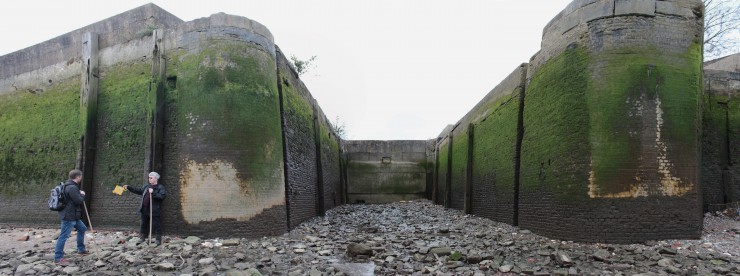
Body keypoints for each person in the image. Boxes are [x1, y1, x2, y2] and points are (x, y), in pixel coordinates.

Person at [54, 169, 88, 266]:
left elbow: (72, 199)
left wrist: (78, 193)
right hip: (69, 216)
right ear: (77, 177)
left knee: (82, 228)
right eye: (80, 176)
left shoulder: (66, 186)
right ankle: (58, 258)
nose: (81, 178)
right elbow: (78, 201)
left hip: (73, 215)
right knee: (63, 236)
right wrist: (83, 195)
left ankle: (81, 249)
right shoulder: (72, 187)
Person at [124, 172, 166, 245]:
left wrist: (153, 193)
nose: (149, 179)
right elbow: (139, 191)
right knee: (143, 224)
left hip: (154, 210)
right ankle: (142, 238)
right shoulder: (147, 186)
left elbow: (162, 197)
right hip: (145, 209)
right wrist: (129, 187)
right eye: (149, 177)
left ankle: (158, 240)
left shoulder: (160, 187)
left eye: (151, 178)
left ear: (156, 178)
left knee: (157, 225)